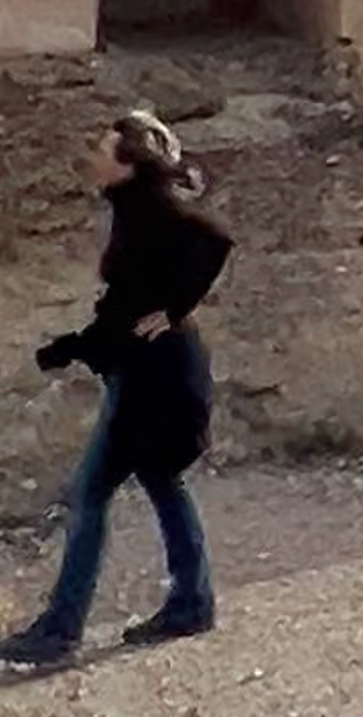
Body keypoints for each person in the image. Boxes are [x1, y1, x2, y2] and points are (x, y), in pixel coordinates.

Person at [8, 105, 229, 672]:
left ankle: (59, 631)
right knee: (162, 482)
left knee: (89, 497)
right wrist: (76, 347)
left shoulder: (153, 209)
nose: (92, 159)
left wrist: (173, 309)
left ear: (128, 167)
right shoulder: (133, 209)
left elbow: (215, 239)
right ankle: (191, 602)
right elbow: (126, 305)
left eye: (103, 152)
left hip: (154, 380)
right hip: (149, 372)